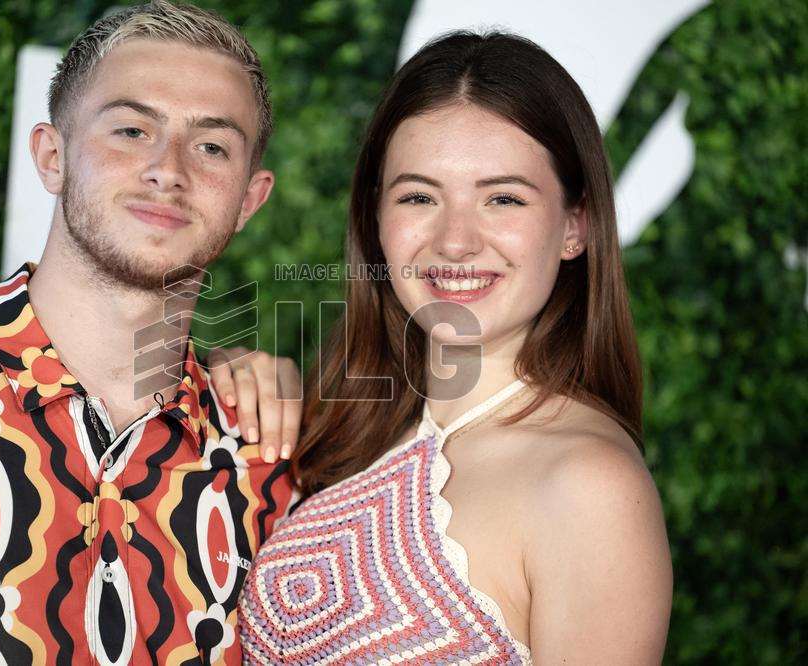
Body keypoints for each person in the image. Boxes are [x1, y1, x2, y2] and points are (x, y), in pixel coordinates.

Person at [0, 2, 300, 663]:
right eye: (130, 130)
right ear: (50, 155)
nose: (169, 169)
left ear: (249, 199)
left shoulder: (274, 466)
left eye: (212, 146)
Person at [221, 30, 673, 664]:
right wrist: (210, 373)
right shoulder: (348, 426)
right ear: (375, 222)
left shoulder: (588, 486)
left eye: (503, 198)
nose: (456, 240)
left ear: (576, 227)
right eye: (419, 197)